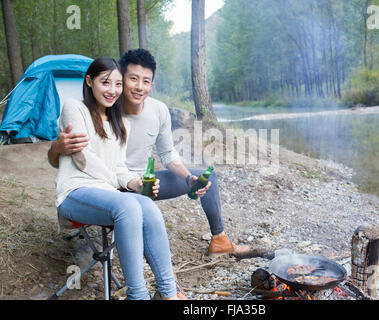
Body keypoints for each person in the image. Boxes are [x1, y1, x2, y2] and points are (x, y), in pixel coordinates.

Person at [48, 49, 250, 256]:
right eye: (133, 79)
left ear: (151, 84)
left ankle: (220, 240)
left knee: (209, 177)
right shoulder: (104, 105)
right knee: (141, 207)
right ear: (121, 79)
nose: (139, 87)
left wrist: (189, 178)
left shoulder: (159, 110)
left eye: (146, 81)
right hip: (111, 185)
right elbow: (66, 159)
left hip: (142, 183)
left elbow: (168, 153)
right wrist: (56, 147)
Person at [55, 56, 182, 300]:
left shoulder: (120, 122)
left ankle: (168, 293)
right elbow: (82, 158)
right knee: (128, 205)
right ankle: (138, 295)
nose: (113, 91)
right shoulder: (75, 107)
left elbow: (119, 167)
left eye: (117, 84)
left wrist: (135, 183)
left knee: (146, 204)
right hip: (75, 191)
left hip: (108, 194)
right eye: (106, 83)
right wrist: (118, 184)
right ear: (90, 81)